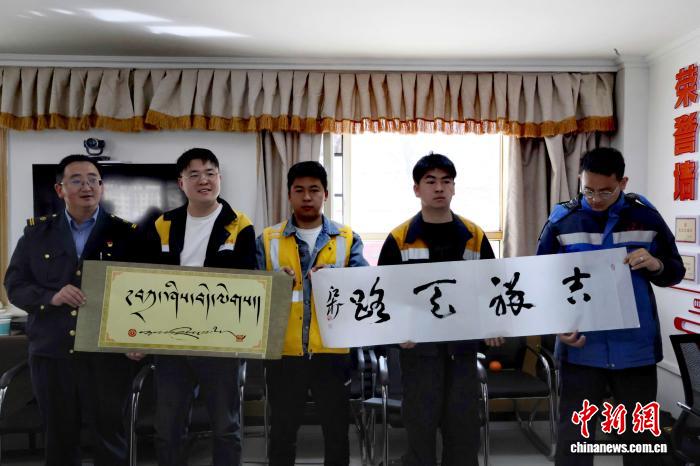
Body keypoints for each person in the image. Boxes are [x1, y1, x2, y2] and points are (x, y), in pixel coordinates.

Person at [536, 147, 684, 465]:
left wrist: (656, 264)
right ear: (580, 180)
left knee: (640, 442)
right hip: (581, 350)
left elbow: (675, 270)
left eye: (605, 191)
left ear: (622, 183)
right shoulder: (563, 220)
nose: (595, 199)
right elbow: (540, 281)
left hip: (635, 349)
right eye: (588, 190)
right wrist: (556, 324)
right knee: (574, 442)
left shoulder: (646, 217)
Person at [4, 154, 139, 466]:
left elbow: (142, 293)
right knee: (59, 440)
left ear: (102, 187)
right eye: (76, 180)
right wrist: (51, 296)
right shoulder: (37, 234)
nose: (86, 186)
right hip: (53, 355)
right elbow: (15, 285)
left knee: (110, 438)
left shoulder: (127, 234)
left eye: (93, 180)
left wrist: (137, 339)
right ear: (60, 189)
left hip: (106, 356)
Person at [377, 153, 502, 466]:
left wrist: (494, 326)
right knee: (420, 429)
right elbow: (385, 297)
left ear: (454, 188)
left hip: (462, 350)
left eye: (446, 181)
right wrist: (397, 335)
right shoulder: (399, 239)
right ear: (416, 189)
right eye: (430, 181)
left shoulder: (474, 236)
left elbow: (492, 287)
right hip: (419, 352)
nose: (439, 188)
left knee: (463, 430)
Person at [141, 148, 256, 466]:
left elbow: (248, 283)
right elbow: (143, 281)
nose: (204, 180)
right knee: (168, 427)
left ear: (220, 178)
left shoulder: (240, 225)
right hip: (170, 340)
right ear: (181, 183)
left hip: (219, 340)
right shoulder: (163, 224)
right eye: (194, 174)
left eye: (210, 173)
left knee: (226, 427)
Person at [256, 161, 367, 466]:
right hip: (284, 351)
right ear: (289, 195)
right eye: (299, 190)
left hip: (332, 351)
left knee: (336, 432)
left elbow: (364, 287)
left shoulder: (346, 238)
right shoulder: (268, 239)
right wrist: (274, 281)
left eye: (314, 190)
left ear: (325, 194)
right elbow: (252, 293)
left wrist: (335, 277)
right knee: (282, 432)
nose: (307, 197)